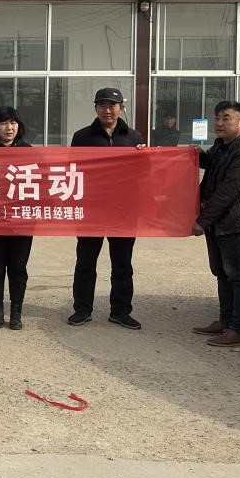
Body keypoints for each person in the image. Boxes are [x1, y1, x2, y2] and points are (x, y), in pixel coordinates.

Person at [68, 87, 147, 330]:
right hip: (91, 209)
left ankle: (121, 311)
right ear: (95, 108)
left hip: (123, 211)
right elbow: (72, 170)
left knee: (122, 263)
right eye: (102, 105)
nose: (107, 110)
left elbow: (143, 173)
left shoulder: (133, 137)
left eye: (112, 105)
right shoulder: (82, 137)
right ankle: (82, 309)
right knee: (85, 261)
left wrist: (144, 156)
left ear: (121, 108)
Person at [191, 100, 240, 348]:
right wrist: (192, 153)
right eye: (217, 118)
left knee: (238, 276)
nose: (220, 123)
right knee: (221, 272)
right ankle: (225, 321)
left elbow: (227, 192)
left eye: (226, 118)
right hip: (218, 223)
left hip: (235, 223)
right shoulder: (222, 145)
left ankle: (239, 330)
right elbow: (208, 164)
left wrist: (202, 221)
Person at [0, 106, 34, 331]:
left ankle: (16, 313)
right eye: (3, 123)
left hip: (22, 220)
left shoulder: (29, 152)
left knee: (18, 267)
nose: (9, 128)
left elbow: (42, 183)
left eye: (13, 122)